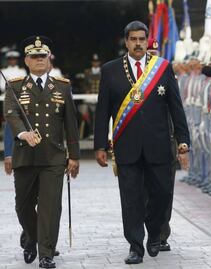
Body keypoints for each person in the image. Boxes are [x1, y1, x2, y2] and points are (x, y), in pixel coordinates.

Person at [94, 21, 190, 265]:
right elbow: (102, 111)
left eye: (142, 39)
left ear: (147, 41)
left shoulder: (163, 68)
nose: (138, 44)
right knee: (131, 199)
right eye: (133, 39)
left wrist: (183, 141)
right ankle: (136, 246)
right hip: (127, 147)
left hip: (158, 146)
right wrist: (99, 146)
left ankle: (155, 232)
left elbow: (176, 108)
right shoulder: (110, 70)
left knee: (162, 194)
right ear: (126, 41)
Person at [4, 35, 80, 268]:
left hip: (53, 157)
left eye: (42, 56)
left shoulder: (62, 87)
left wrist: (74, 156)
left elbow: (71, 124)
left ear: (49, 58)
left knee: (50, 207)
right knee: (23, 206)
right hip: (25, 156)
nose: (39, 60)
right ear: (26, 60)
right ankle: (31, 237)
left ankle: (45, 253)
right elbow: (10, 114)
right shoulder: (15, 86)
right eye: (34, 56)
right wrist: (22, 133)